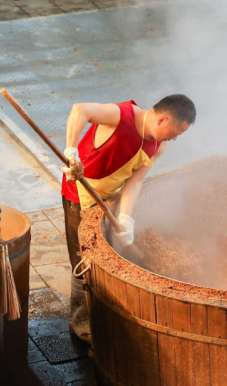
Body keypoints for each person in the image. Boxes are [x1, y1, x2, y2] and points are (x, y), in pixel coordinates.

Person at [60, 94, 196, 343]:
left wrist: (125, 218)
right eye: (175, 132)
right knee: (82, 260)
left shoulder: (158, 144)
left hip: (110, 196)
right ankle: (81, 324)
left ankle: (107, 311)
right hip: (79, 190)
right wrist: (71, 151)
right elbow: (80, 109)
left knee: (111, 256)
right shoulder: (121, 117)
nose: (174, 138)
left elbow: (135, 180)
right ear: (163, 118)